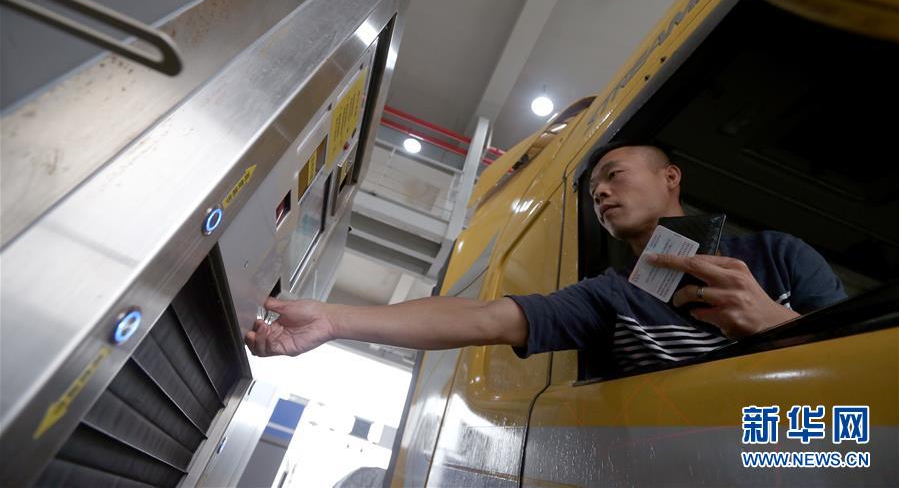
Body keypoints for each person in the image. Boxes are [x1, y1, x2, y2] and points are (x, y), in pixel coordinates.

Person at [245, 142, 846, 374]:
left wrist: (775, 324)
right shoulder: (611, 297)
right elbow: (483, 318)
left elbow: (864, 377)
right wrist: (334, 319)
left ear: (671, 177)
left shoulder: (778, 256)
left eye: (613, 175)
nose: (600, 193)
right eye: (593, 190)